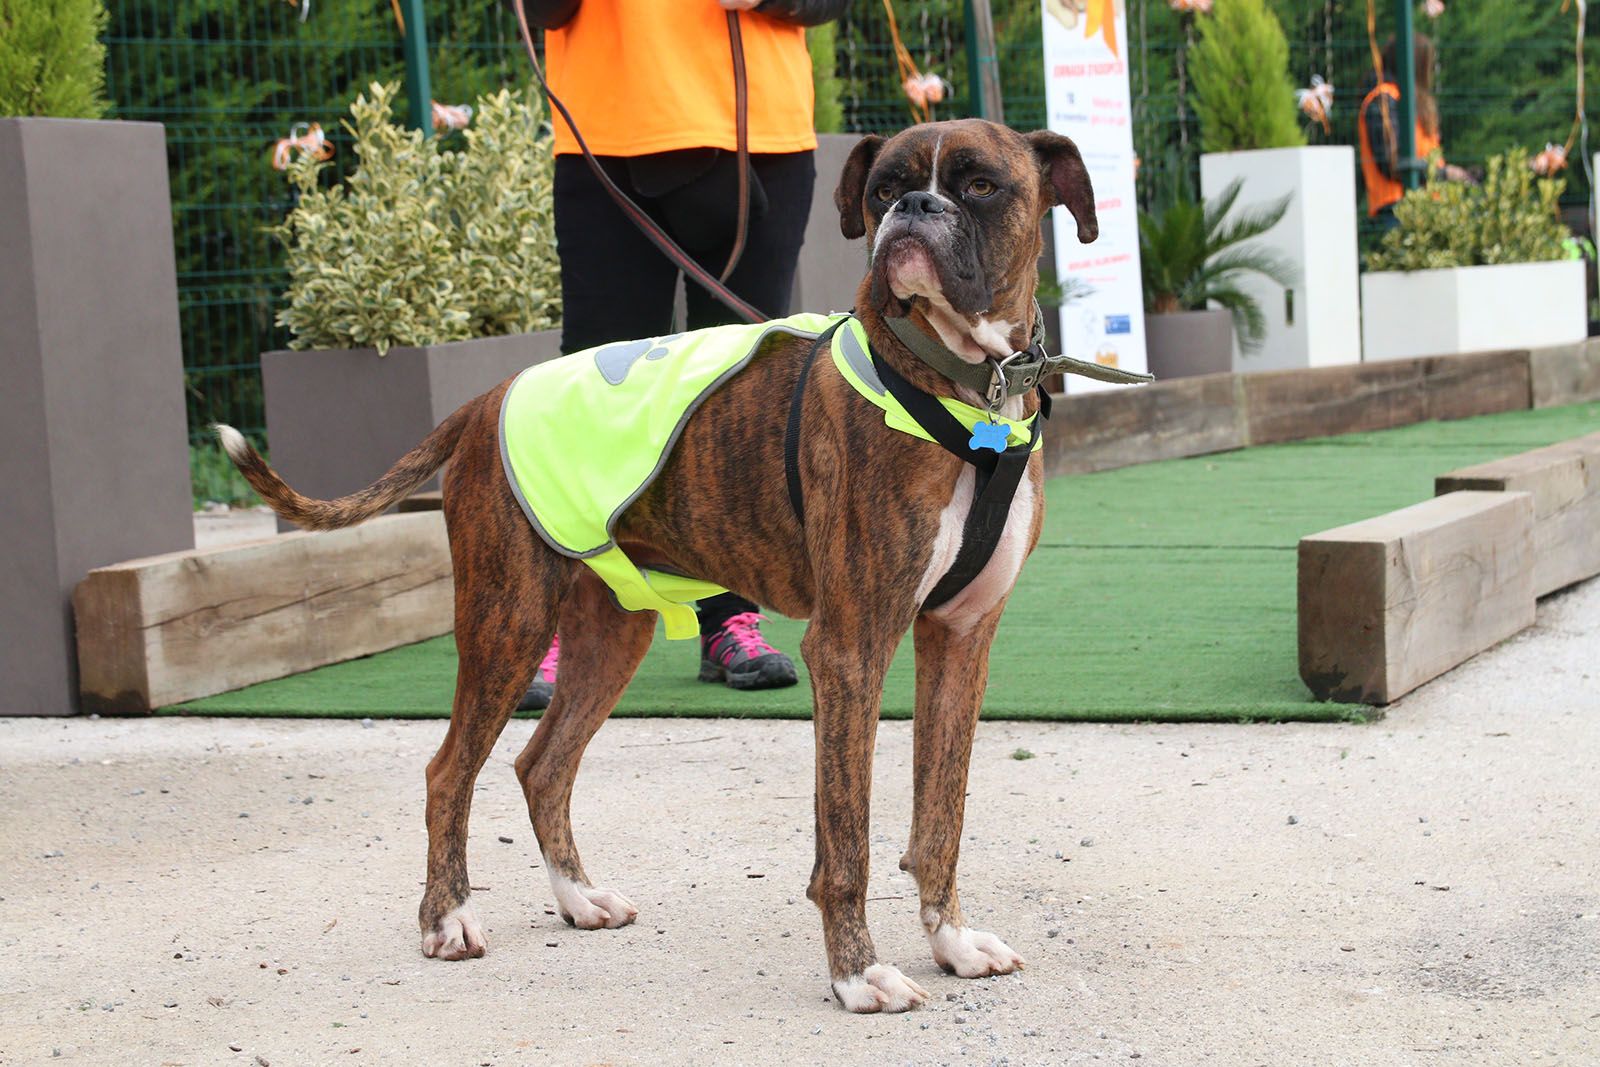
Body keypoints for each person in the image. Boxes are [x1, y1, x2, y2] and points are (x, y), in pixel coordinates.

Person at [518, 0, 849, 711]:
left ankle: (732, 615)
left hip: (759, 134)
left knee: (747, 400)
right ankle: (561, 619)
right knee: (593, 389)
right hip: (603, 128)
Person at [1358, 33, 1474, 229]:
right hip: (1396, 208)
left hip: (1428, 204)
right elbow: (1392, 163)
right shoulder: (1384, 99)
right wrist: (1444, 174)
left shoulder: (1408, 101)